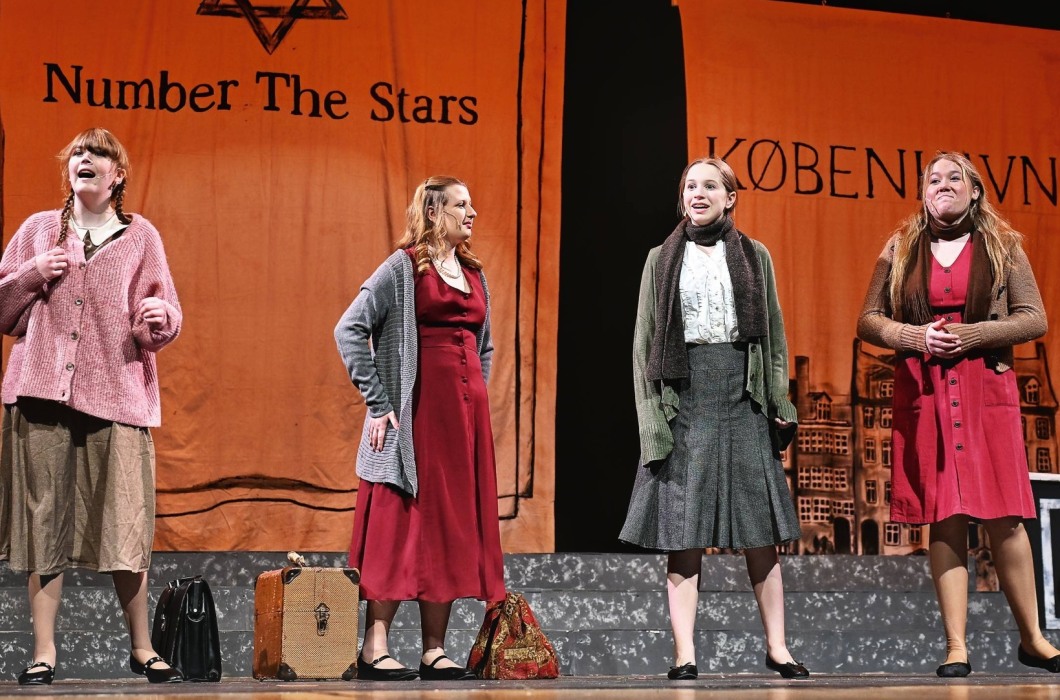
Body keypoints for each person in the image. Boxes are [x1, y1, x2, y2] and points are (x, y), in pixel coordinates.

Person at [857, 150, 1060, 677]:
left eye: (954, 177)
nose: (941, 184)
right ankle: (956, 647)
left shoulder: (1003, 246)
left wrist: (971, 335)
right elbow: (869, 320)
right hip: (925, 388)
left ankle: (1033, 639)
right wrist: (912, 335)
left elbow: (1033, 319)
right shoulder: (900, 248)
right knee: (944, 514)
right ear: (922, 192)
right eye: (933, 178)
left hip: (984, 388)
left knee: (1005, 515)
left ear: (974, 191)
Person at [0, 127, 183, 685]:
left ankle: (142, 648)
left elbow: (164, 309)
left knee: (125, 524)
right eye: (79, 153)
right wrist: (37, 271)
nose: (86, 160)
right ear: (69, 170)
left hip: (118, 400)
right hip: (40, 399)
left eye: (99, 154)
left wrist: (159, 323)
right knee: (44, 524)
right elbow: (3, 309)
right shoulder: (38, 230)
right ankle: (45, 652)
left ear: (117, 175)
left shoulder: (141, 236)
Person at [620, 157, 809, 680]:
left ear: (730, 197)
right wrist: (651, 418)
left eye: (709, 186)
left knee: (760, 530)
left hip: (742, 392)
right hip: (686, 397)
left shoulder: (756, 256)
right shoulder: (661, 259)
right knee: (684, 529)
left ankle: (778, 647)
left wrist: (778, 401)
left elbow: (773, 336)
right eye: (689, 186)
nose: (697, 194)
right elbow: (642, 347)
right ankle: (685, 653)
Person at [334, 176, 505, 681]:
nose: (471, 213)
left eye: (472, 205)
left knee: (450, 524)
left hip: (463, 419)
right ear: (434, 212)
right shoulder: (403, 268)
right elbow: (349, 328)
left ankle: (434, 648)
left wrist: (476, 391)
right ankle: (375, 646)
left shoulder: (473, 272)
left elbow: (484, 344)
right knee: (399, 518)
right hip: (417, 415)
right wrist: (380, 403)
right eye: (461, 205)